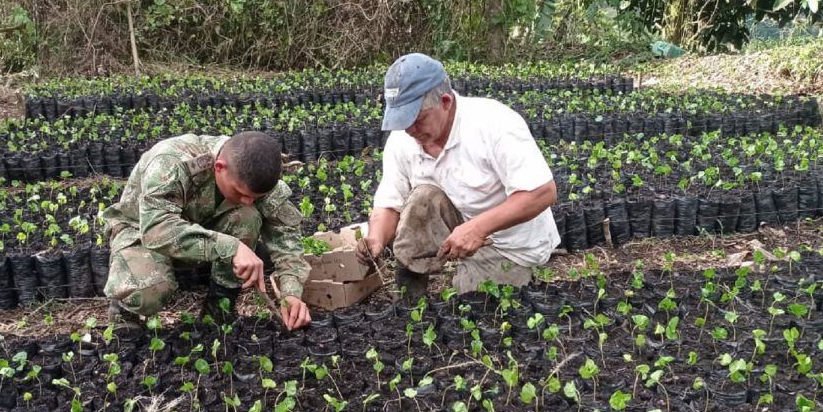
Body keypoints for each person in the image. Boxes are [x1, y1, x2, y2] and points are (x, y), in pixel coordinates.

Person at [357, 53, 559, 299]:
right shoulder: (404, 139)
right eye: (403, 121)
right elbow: (389, 202)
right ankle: (409, 297)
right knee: (423, 198)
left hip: (509, 244)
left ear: (445, 101)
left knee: (474, 306)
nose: (410, 129)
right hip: (462, 217)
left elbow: (542, 192)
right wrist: (375, 238)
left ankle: (508, 272)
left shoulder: (494, 123)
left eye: (417, 119)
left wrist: (478, 228)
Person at [103, 131, 312, 330]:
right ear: (219, 167)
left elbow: (287, 238)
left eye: (255, 197)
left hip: (202, 232)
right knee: (149, 291)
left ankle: (219, 307)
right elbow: (156, 229)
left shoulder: (255, 172)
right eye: (240, 193)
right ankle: (123, 313)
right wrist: (230, 247)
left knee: (247, 216)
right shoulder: (170, 162)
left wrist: (291, 294)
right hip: (141, 231)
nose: (248, 201)